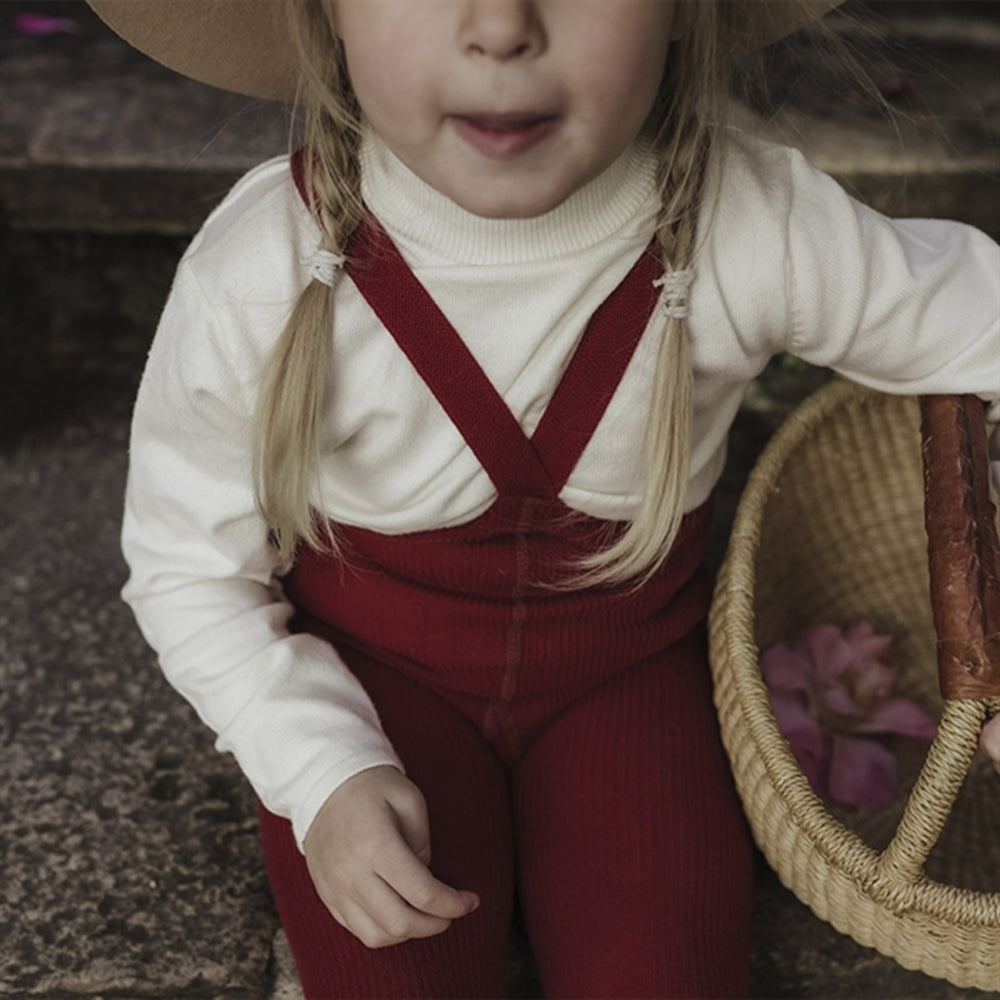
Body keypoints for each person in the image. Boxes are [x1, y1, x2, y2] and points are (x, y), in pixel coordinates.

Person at [91, 0, 1000, 996]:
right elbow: (187, 570)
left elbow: (981, 331)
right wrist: (320, 769)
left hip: (629, 680)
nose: (500, 28)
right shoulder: (265, 265)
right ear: (327, 13)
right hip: (375, 689)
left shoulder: (751, 224)